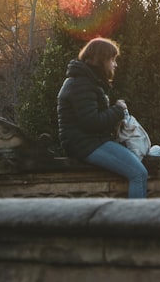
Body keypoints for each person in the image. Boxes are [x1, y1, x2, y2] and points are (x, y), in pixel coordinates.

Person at [57, 37, 148, 198]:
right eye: (112, 59)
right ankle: (136, 221)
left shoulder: (87, 81)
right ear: (102, 60)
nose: (115, 64)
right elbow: (91, 122)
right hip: (85, 144)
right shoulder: (82, 83)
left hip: (89, 141)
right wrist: (118, 110)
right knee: (138, 174)